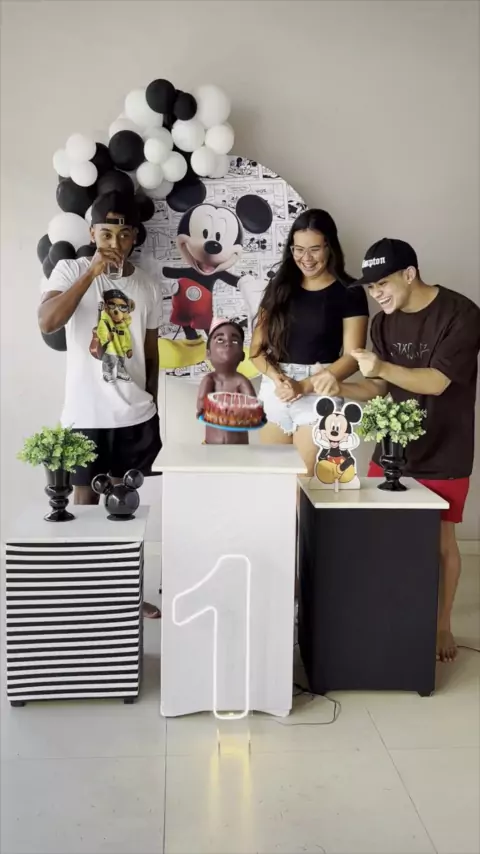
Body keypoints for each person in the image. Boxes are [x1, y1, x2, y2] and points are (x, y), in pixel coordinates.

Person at [312, 238, 480, 662]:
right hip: (392, 448)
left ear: (409, 274)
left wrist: (382, 366)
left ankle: (441, 624)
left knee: (442, 541)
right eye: (371, 287)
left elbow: (437, 383)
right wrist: (339, 388)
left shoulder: (461, 313)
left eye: (382, 283)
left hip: (446, 447)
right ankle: (382, 614)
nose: (377, 294)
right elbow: (379, 388)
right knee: (377, 535)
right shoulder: (383, 324)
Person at [38, 191, 162, 619]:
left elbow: (151, 353)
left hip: (135, 416)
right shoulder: (71, 269)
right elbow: (48, 322)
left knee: (126, 511)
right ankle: (85, 599)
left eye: (124, 234)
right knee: (84, 509)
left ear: (134, 237)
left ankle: (126, 598)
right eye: (106, 233)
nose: (115, 242)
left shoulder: (148, 285)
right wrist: (91, 272)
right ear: (92, 234)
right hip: (85, 415)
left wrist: (152, 402)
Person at [250, 209, 369, 474]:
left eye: (314, 249)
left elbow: (353, 357)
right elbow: (256, 351)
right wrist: (278, 378)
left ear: (330, 247)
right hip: (277, 388)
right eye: (298, 249)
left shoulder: (350, 292)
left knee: (306, 482)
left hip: (320, 389)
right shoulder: (279, 287)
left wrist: (303, 386)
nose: (306, 258)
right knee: (273, 480)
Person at [197, 319, 257, 445]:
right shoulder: (209, 380)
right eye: (220, 340)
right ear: (208, 354)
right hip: (211, 446)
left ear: (242, 356)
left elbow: (253, 406)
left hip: (239, 448)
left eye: (234, 341)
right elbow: (201, 403)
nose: (228, 343)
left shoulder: (241, 381)